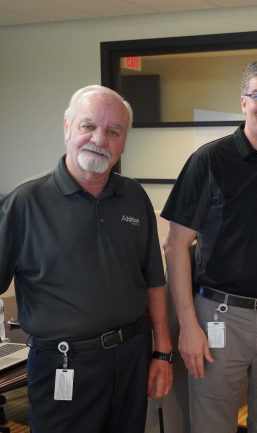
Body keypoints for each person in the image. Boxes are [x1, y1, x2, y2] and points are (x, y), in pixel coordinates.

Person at [0, 85, 173, 433]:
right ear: (67, 127)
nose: (99, 139)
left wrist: (163, 353)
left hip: (130, 358)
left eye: (113, 131)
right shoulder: (25, 203)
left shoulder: (134, 197)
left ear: (124, 140)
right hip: (62, 365)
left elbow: (153, 280)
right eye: (88, 126)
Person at [162, 59, 257, 433]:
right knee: (213, 421)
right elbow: (176, 245)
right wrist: (188, 325)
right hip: (219, 314)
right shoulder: (209, 160)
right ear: (244, 101)